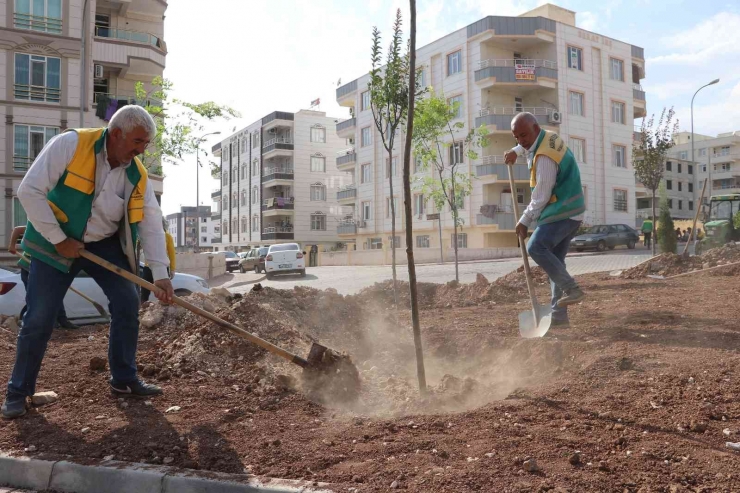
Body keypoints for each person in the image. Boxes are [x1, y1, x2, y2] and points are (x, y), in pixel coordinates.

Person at [1, 106, 174, 419]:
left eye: (145, 144)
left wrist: (160, 273)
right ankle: (18, 391)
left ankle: (123, 379)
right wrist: (58, 240)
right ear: (116, 133)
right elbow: (29, 191)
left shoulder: (137, 174)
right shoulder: (71, 144)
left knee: (126, 303)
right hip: (55, 240)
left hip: (104, 245)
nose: (141, 150)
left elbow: (150, 222)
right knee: (40, 318)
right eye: (138, 141)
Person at [504, 112, 587, 329]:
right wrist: (515, 151)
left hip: (562, 211)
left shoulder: (544, 158)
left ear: (536, 128)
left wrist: (524, 221)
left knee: (536, 247)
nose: (521, 140)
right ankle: (559, 319)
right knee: (555, 267)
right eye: (517, 137)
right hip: (572, 210)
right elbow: (528, 145)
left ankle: (572, 289)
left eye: (524, 135)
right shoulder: (547, 137)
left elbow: (541, 195)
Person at [8, 226, 78, 330]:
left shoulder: (62, 234)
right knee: (35, 296)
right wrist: (11, 246)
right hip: (28, 268)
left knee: (55, 293)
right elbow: (17, 229)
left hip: (47, 266)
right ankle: (40, 323)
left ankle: (62, 320)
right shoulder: (40, 226)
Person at [140, 218, 176, 304]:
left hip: (163, 267)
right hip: (148, 267)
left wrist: (172, 269)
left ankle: (163, 307)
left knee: (163, 291)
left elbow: (171, 254)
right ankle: (142, 306)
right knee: (144, 291)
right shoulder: (146, 236)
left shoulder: (167, 237)